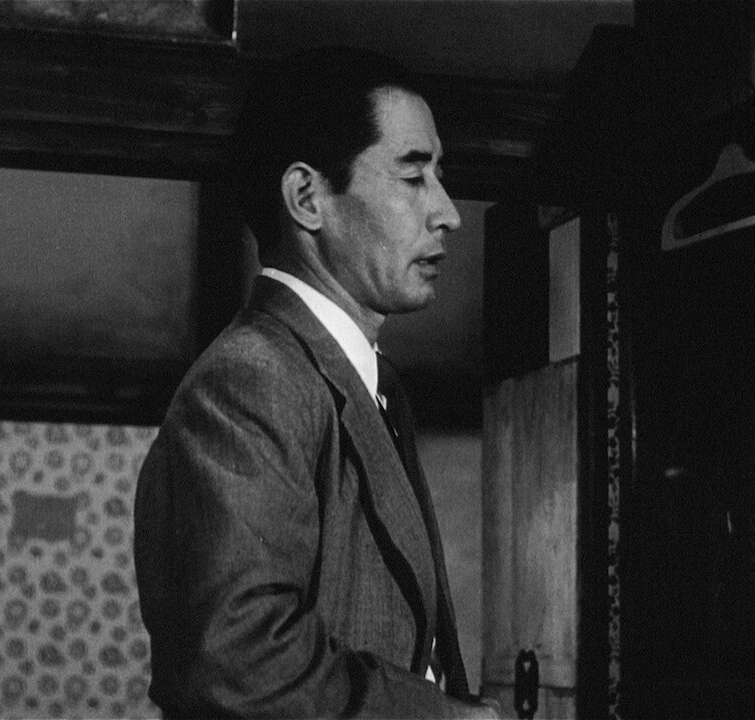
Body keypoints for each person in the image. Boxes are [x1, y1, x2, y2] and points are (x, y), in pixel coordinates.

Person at [133, 47, 499, 719]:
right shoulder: (251, 381)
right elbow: (239, 664)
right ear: (307, 198)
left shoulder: (362, 379)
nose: (448, 212)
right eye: (413, 176)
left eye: (439, 177)